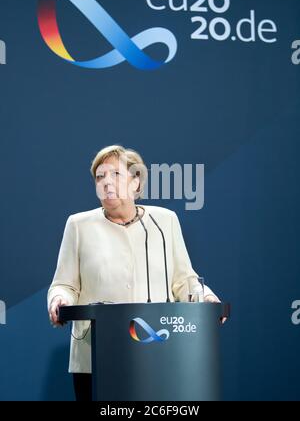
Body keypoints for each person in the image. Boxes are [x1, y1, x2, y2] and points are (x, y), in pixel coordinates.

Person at [48, 145, 224, 401]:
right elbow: (64, 284)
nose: (106, 182)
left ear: (136, 181)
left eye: (115, 174)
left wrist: (205, 298)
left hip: (154, 356)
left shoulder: (165, 221)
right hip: (95, 357)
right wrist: (59, 299)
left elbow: (184, 280)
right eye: (100, 177)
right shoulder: (78, 225)